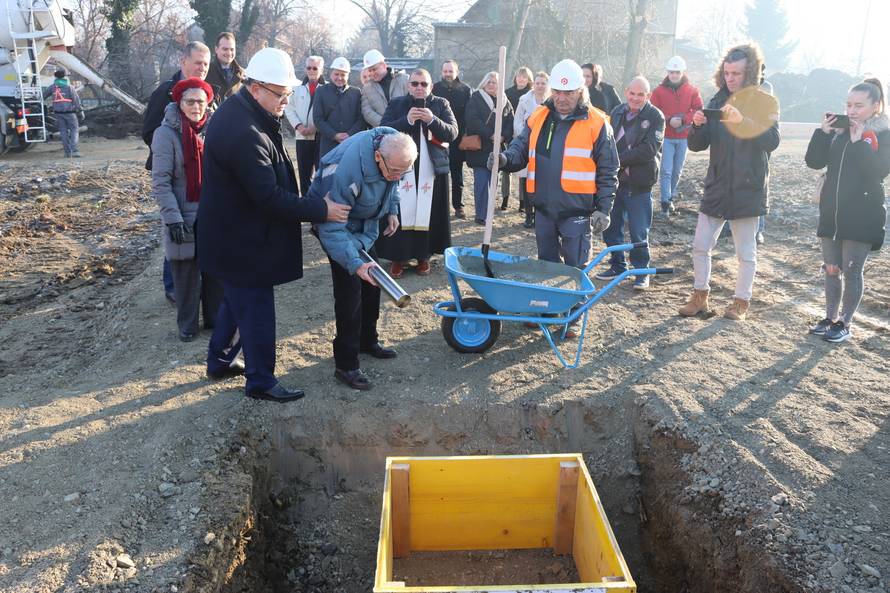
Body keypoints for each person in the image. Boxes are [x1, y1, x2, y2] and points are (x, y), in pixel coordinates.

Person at [197, 48, 351, 402]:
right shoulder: (244, 131)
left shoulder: (246, 114)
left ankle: (219, 361)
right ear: (255, 88)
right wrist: (320, 209)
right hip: (240, 240)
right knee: (256, 308)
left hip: (233, 233)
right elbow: (267, 197)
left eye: (288, 94)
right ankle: (261, 381)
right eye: (281, 94)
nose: (286, 101)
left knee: (237, 302)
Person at [496, 59, 619, 338]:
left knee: (575, 269)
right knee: (546, 264)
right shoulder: (539, 116)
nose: (562, 99)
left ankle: (572, 318)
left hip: (578, 210)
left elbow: (609, 170)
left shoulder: (598, 124)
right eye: (558, 93)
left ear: (581, 91)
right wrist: (504, 159)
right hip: (543, 208)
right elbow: (519, 148)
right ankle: (546, 311)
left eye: (569, 93)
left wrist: (604, 208)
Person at [678, 43, 780, 321]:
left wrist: (744, 121)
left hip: (748, 189)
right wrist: (697, 125)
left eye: (736, 73)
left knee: (745, 252)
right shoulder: (716, 100)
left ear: (750, 74)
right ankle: (700, 296)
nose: (730, 78)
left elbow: (772, 141)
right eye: (727, 73)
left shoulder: (765, 102)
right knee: (700, 245)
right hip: (717, 185)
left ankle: (741, 302)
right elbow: (698, 145)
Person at [309, 128, 417, 390]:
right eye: (395, 170)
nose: (398, 177)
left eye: (404, 172)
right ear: (378, 157)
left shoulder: (394, 151)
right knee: (350, 295)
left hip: (364, 226)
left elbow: (392, 184)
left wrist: (392, 209)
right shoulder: (345, 173)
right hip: (336, 227)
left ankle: (367, 340)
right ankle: (346, 365)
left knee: (372, 285)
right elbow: (332, 228)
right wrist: (355, 264)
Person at [804, 78, 890, 343]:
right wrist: (823, 133)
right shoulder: (840, 131)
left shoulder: (884, 134)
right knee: (831, 268)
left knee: (852, 270)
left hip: (863, 213)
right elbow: (813, 161)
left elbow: (878, 172)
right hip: (832, 211)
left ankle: (845, 322)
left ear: (876, 106)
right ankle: (829, 318)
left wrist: (859, 143)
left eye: (859, 106)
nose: (852, 111)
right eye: (849, 104)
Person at [142, 41, 213, 305]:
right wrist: (176, 153)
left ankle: (201, 288)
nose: (202, 68)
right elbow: (149, 131)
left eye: (206, 64)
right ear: (183, 61)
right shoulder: (165, 93)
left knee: (198, 233)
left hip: (201, 182)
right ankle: (174, 288)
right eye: (197, 63)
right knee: (176, 232)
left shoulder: (206, 95)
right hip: (173, 175)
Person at [151, 78, 222, 341]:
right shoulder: (165, 134)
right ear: (179, 103)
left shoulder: (214, 130)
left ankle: (214, 320)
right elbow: (161, 181)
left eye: (201, 102)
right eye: (190, 101)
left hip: (212, 212)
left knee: (215, 271)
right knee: (185, 274)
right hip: (182, 213)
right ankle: (188, 326)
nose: (196, 107)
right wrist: (173, 219)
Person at [377, 68, 458, 277]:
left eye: (424, 84)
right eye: (415, 84)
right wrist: (407, 121)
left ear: (431, 86)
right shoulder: (397, 104)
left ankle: (424, 256)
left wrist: (432, 120)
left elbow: (453, 132)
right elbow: (383, 130)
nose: (419, 88)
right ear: (408, 85)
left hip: (431, 168)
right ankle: (398, 257)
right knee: (401, 211)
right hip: (401, 167)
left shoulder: (441, 104)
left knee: (428, 211)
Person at [595, 76, 665, 290]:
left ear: (648, 95)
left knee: (638, 231)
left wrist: (615, 160)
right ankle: (617, 265)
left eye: (641, 94)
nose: (635, 98)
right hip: (614, 183)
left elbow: (648, 150)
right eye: (632, 93)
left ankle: (641, 272)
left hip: (639, 184)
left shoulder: (656, 117)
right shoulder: (616, 112)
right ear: (626, 92)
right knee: (611, 227)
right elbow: (606, 140)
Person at [649, 55, 702, 216]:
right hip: (666, 137)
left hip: (684, 137)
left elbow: (698, 110)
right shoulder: (658, 91)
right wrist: (668, 119)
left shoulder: (692, 91)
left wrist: (684, 119)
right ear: (668, 72)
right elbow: (653, 110)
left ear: (682, 72)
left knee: (677, 170)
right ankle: (665, 201)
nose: (674, 75)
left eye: (677, 72)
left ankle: (670, 197)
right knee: (666, 170)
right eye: (672, 72)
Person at [465, 71, 514, 225]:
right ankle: (481, 215)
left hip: (497, 147)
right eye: (489, 82)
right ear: (484, 83)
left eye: (495, 82)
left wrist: (503, 137)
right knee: (481, 182)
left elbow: (510, 121)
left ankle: (488, 212)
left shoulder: (505, 101)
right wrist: (491, 134)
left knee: (493, 182)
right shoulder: (476, 98)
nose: (492, 85)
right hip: (481, 146)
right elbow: (472, 119)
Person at [432, 59, 472, 219]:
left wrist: (465, 134)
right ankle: (438, 207)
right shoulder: (434, 88)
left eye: (450, 71)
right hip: (437, 137)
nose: (448, 74)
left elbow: (468, 114)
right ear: (442, 72)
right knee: (437, 174)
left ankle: (458, 206)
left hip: (457, 138)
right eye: (445, 71)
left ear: (456, 72)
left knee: (457, 174)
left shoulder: (465, 89)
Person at [513, 71, 550, 228]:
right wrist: (526, 137)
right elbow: (517, 122)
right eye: (538, 83)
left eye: (543, 83)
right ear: (533, 84)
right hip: (527, 145)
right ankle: (529, 215)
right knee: (527, 181)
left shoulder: (552, 100)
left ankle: (540, 214)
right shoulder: (525, 100)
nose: (540, 86)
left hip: (544, 146)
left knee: (542, 182)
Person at [284, 55, 326, 195]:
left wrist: (315, 127)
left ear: (321, 69)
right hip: (302, 137)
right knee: (304, 175)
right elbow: (289, 109)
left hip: (321, 137)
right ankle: (306, 205)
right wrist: (299, 127)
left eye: (315, 68)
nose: (312, 70)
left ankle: (320, 204)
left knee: (321, 174)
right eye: (309, 67)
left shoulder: (327, 90)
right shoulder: (296, 88)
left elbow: (329, 112)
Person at [313, 56, 365, 159]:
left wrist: (349, 135)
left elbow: (361, 119)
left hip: (351, 144)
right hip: (328, 145)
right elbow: (318, 119)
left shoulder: (356, 92)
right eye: (336, 74)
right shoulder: (321, 91)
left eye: (343, 75)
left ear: (348, 75)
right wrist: (334, 135)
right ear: (331, 74)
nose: (339, 78)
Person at [502, 67, 533, 210]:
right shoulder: (507, 93)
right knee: (506, 167)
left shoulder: (530, 95)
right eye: (519, 76)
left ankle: (522, 200)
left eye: (524, 77)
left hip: (525, 135)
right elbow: (505, 115)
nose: (521, 79)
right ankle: (505, 197)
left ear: (528, 80)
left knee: (523, 168)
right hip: (509, 133)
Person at [361, 49, 409, 127]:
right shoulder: (367, 88)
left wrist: (402, 122)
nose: (372, 73)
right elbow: (367, 112)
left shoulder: (404, 80)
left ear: (383, 65)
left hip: (405, 130)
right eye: (370, 70)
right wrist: (385, 125)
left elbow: (412, 102)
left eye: (374, 69)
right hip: (382, 133)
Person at [45, 68, 84, 158]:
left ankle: (67, 152)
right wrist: (81, 111)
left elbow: (43, 96)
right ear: (65, 76)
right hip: (70, 113)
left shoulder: (52, 87)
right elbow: (76, 100)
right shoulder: (69, 87)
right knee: (74, 130)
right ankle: (74, 151)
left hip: (58, 113)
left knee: (63, 132)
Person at [204, 32, 244, 103]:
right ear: (216, 49)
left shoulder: (242, 74)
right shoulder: (206, 71)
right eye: (225, 49)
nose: (229, 53)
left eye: (232, 49)